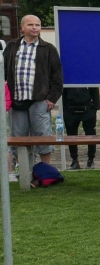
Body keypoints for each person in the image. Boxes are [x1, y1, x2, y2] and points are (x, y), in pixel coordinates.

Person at [4, 14, 63, 165]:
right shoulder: (12, 47)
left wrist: (51, 98)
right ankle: (23, 171)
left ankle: (45, 171)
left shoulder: (48, 49)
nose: (35, 27)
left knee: (43, 136)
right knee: (18, 137)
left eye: (37, 25)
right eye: (30, 25)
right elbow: (2, 72)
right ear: (22, 28)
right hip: (17, 101)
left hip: (40, 100)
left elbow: (57, 76)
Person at [63, 86, 100, 169]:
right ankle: (74, 160)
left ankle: (91, 160)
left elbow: (94, 89)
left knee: (91, 136)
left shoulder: (87, 75)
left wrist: (95, 108)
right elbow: (63, 91)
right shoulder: (68, 75)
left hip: (88, 110)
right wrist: (64, 110)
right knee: (71, 137)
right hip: (70, 110)